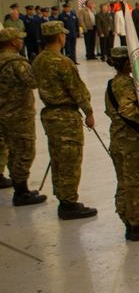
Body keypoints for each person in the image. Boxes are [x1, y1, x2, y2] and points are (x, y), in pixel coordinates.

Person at [31, 21, 98, 219]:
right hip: (66, 117)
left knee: (58, 158)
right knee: (70, 159)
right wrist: (89, 112)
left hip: (50, 115)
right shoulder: (62, 62)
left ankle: (62, 197)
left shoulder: (39, 60)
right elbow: (76, 89)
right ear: (59, 37)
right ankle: (69, 204)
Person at [104, 47, 139, 241]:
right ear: (128, 63)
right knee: (135, 182)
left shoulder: (112, 83)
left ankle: (126, 216)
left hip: (117, 139)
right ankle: (135, 224)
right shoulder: (127, 84)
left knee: (124, 181)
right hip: (130, 142)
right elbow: (128, 111)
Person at [0, 27, 46, 206]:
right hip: (18, 115)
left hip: (2, 113)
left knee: (7, 148)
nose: (21, 41)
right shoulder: (17, 62)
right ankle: (21, 192)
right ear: (12, 42)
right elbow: (34, 82)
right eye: (19, 39)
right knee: (23, 151)